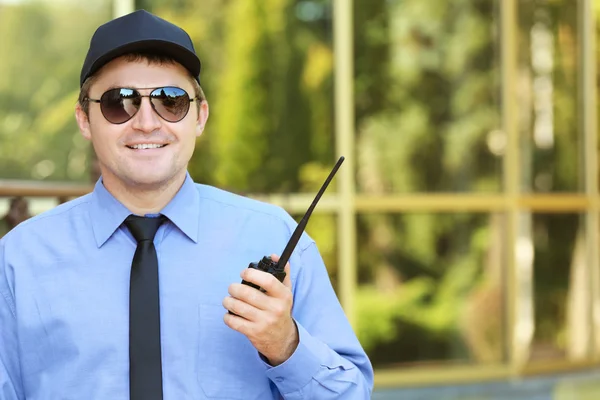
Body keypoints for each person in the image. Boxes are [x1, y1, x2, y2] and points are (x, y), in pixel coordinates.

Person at [0, 9, 373, 400]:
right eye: (119, 102)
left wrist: (285, 345)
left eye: (171, 100)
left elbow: (350, 394)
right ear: (84, 119)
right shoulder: (18, 261)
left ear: (199, 116)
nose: (146, 122)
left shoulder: (272, 237)